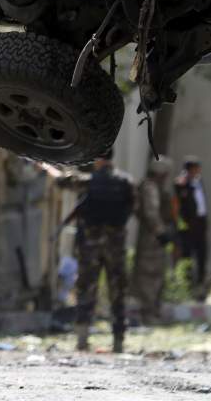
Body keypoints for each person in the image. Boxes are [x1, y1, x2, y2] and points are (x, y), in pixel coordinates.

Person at [72, 148, 134, 352]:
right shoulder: (126, 182)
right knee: (117, 293)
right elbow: (133, 207)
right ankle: (118, 341)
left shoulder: (88, 180)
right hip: (115, 246)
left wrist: (47, 166)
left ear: (97, 159)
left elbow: (62, 181)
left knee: (86, 289)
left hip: (91, 247)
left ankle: (82, 339)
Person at [131, 156, 174, 325]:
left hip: (153, 238)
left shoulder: (152, 186)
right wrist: (161, 232)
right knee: (149, 276)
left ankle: (153, 312)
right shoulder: (150, 187)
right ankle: (148, 314)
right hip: (152, 240)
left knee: (155, 276)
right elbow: (151, 212)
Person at [173, 156, 209, 295]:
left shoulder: (199, 182)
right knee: (186, 254)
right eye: (195, 169)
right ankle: (186, 285)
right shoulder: (181, 183)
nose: (198, 171)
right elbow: (178, 206)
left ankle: (200, 284)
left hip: (200, 223)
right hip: (188, 225)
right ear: (189, 170)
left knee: (202, 254)